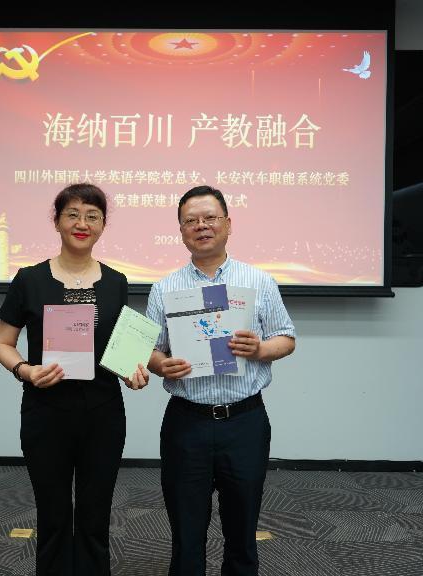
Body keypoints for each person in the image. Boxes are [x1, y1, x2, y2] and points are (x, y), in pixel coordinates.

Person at [0, 183, 149, 576]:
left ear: (103, 225)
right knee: (53, 516)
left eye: (92, 216)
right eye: (73, 214)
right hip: (46, 412)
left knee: (96, 517)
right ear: (57, 221)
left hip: (103, 413)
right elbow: (3, 343)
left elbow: (119, 349)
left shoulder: (116, 282)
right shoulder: (29, 279)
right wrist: (25, 370)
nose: (83, 223)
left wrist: (132, 371)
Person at [146, 185, 296, 576]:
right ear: (181, 231)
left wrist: (259, 349)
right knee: (186, 534)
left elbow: (286, 338)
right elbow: (149, 350)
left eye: (210, 218)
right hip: (187, 423)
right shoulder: (165, 288)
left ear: (228, 224)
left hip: (244, 421)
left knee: (242, 532)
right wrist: (162, 365)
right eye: (191, 221)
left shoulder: (259, 281)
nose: (201, 226)